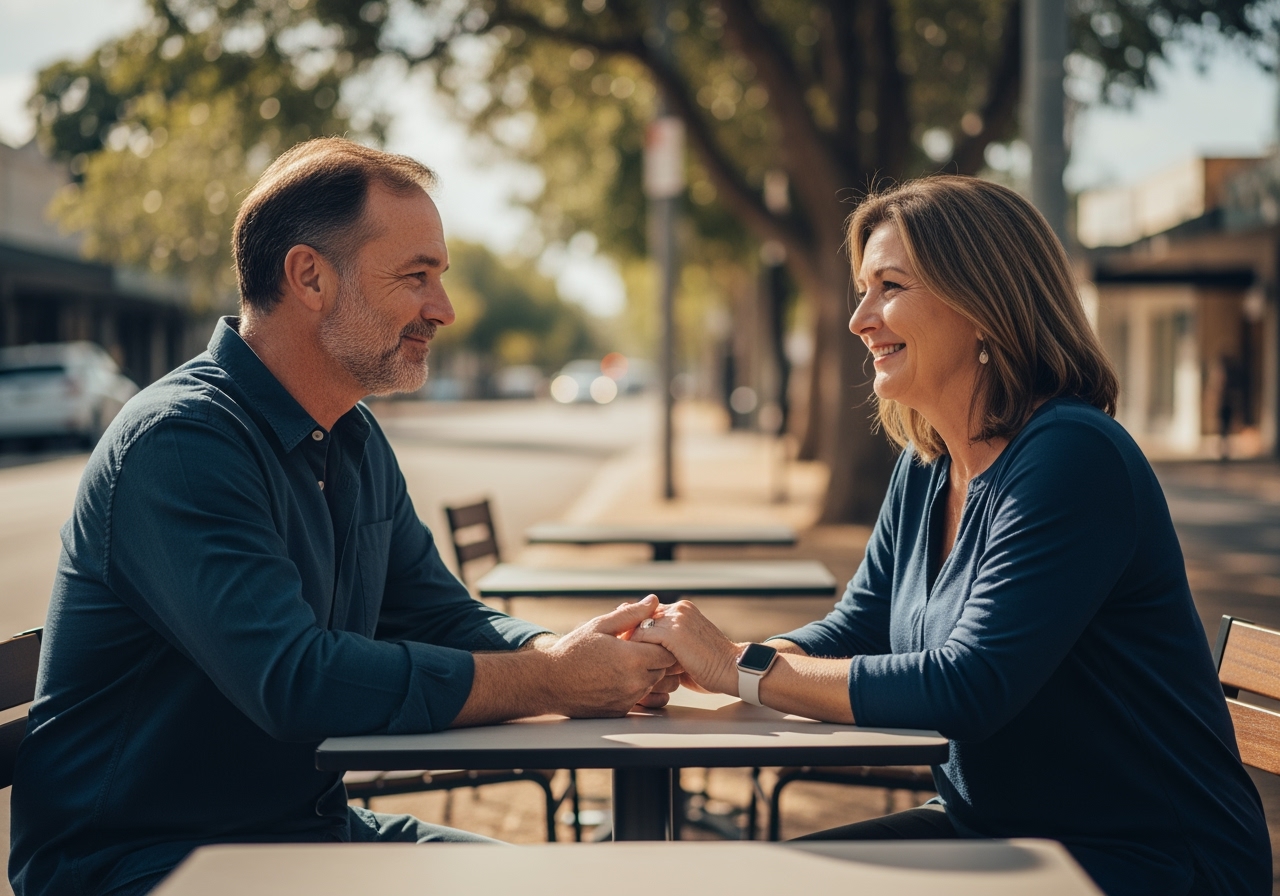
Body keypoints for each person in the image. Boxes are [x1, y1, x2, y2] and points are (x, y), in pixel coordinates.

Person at [9, 138, 678, 896]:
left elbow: (438, 614)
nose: (444, 309)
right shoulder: (181, 444)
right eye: (416, 277)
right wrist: (553, 681)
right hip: (140, 862)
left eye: (441, 278)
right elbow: (296, 683)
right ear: (310, 277)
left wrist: (570, 651)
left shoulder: (351, 435)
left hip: (302, 832)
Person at [632, 176, 1270, 895]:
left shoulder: (1073, 457)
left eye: (889, 286)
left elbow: (970, 685)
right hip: (993, 829)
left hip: (1147, 858)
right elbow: (862, 623)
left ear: (982, 304)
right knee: (748, 884)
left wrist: (740, 668)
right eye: (862, 289)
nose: (860, 319)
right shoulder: (929, 463)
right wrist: (708, 663)